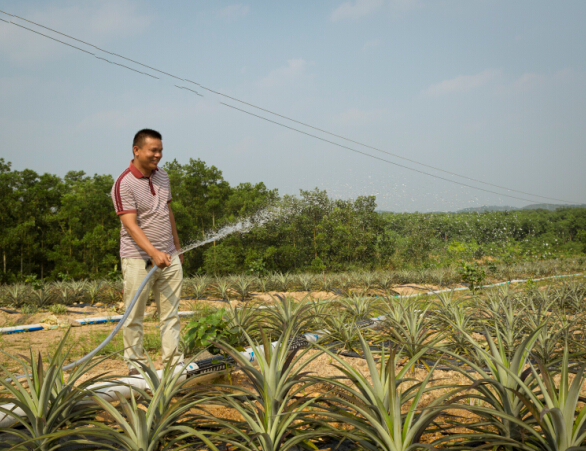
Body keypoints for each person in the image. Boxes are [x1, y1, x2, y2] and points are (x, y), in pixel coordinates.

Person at [111, 128, 184, 374]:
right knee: (134, 315)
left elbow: (168, 212)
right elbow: (130, 224)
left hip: (169, 256)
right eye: (153, 150)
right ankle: (136, 366)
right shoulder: (123, 183)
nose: (158, 155)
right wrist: (153, 252)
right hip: (137, 259)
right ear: (137, 150)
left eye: (160, 150)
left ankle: (173, 364)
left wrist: (177, 247)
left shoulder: (163, 176)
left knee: (171, 315)